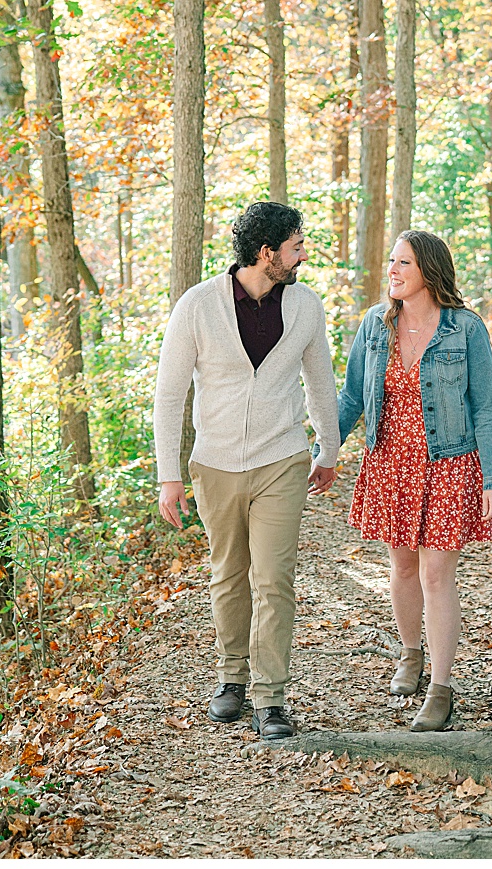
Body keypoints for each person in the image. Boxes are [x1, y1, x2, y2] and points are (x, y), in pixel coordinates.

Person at [154, 201, 340, 740]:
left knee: (274, 577)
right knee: (229, 574)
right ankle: (232, 678)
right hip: (214, 465)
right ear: (267, 253)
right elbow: (170, 395)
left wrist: (327, 448)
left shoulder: (305, 305)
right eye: (296, 246)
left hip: (281, 458)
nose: (302, 255)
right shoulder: (197, 306)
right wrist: (170, 475)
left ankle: (270, 697)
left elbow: (320, 380)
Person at [336, 230, 492, 732]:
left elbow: (489, 408)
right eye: (391, 260)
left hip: (449, 464)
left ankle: (441, 687)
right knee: (404, 569)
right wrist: (323, 451)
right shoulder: (374, 324)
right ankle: (410, 653)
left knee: (437, 575)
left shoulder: (465, 329)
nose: (392, 270)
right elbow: (350, 397)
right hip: (391, 462)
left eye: (403, 262)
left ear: (428, 271)